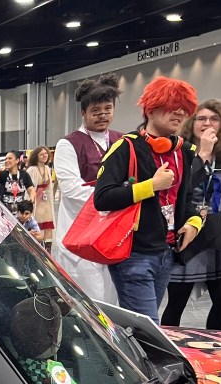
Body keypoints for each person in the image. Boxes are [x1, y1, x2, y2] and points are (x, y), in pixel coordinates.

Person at [94, 76, 203, 323]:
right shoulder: (126, 147)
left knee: (142, 329)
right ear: (151, 109)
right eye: (172, 106)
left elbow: (188, 198)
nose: (179, 113)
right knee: (148, 329)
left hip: (167, 253)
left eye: (184, 108)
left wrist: (193, 223)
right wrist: (151, 186)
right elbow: (102, 197)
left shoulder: (184, 152)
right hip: (134, 255)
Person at [161, 99, 221, 329]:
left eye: (214, 119)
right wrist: (203, 152)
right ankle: (169, 347)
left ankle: (213, 343)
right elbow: (180, 188)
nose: (207, 123)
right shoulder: (180, 152)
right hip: (187, 230)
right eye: (201, 118)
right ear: (191, 123)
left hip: (217, 232)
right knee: (177, 300)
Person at [52, 73, 123, 304]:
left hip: (115, 233)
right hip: (80, 234)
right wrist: (116, 198)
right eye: (96, 110)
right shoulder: (69, 144)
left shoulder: (123, 140)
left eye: (107, 109)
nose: (102, 115)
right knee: (87, 302)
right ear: (83, 112)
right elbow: (72, 189)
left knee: (114, 300)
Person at [26, 146, 56, 246]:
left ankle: (48, 249)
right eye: (41, 154)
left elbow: (50, 187)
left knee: (48, 225)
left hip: (46, 202)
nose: (44, 156)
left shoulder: (47, 168)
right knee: (37, 224)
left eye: (46, 153)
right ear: (36, 156)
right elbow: (29, 188)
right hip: (36, 201)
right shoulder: (32, 170)